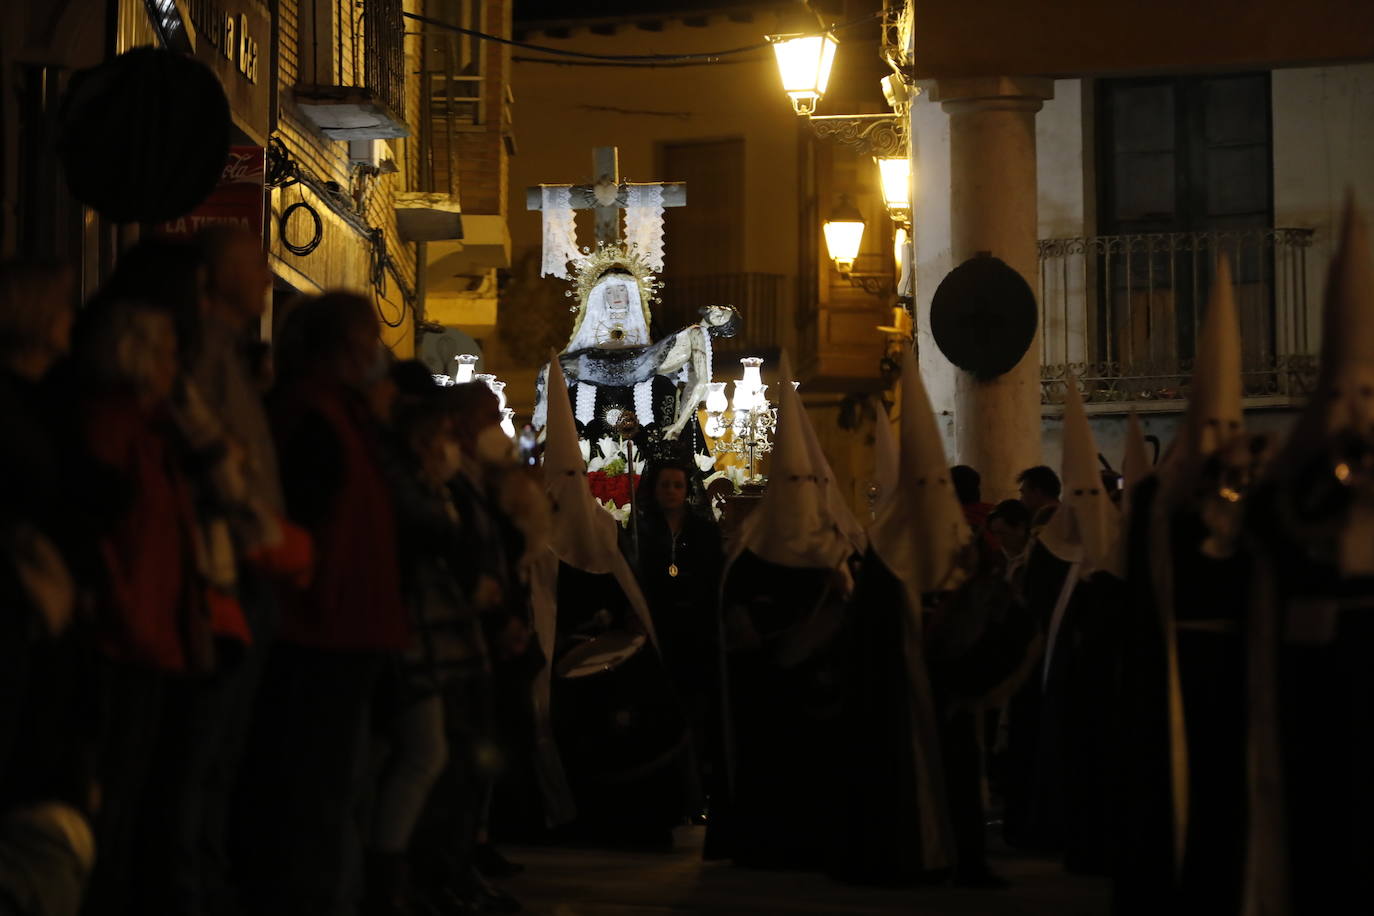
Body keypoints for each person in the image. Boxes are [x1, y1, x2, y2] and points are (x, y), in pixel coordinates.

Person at [245, 292, 409, 916]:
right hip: (320, 631)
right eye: (367, 340)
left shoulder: (341, 413)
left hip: (348, 627)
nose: (374, 354)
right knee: (312, 790)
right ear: (339, 347)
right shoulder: (310, 415)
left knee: (335, 788)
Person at [720, 354, 857, 872]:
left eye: (808, 481)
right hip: (765, 699)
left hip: (824, 695)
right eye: (791, 481)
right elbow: (736, 634)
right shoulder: (748, 561)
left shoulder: (837, 556)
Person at [633, 461, 724, 818]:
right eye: (664, 485)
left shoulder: (704, 532)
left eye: (677, 485)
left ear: (687, 491)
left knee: (696, 715)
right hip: (660, 632)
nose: (670, 491)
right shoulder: (643, 531)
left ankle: (698, 792)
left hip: (696, 634)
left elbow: (713, 578)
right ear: (654, 490)